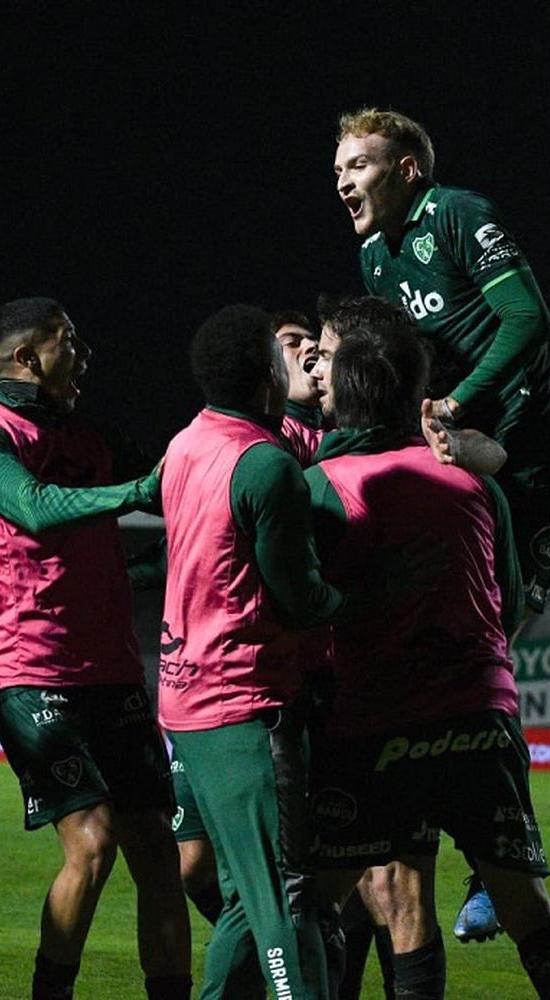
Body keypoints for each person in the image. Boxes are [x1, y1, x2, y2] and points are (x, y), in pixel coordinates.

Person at [304, 317, 550, 999]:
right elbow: (510, 605)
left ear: (344, 393)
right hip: (480, 722)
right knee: (528, 911)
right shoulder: (476, 487)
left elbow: (301, 605)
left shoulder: (321, 485)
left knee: (318, 908)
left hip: (376, 726)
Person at [0, 298, 191, 1000]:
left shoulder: (94, 437)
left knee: (156, 854)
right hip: (27, 671)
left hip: (112, 671)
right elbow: (38, 508)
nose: (83, 356)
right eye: (68, 342)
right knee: (93, 841)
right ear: (26, 358)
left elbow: (188, 480)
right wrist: (144, 489)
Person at [158, 304, 352, 999]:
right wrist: (358, 598)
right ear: (268, 377)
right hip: (248, 702)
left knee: (243, 898)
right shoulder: (265, 464)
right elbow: (299, 595)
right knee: (285, 900)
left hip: (185, 700)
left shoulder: (185, 444)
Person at [332, 107, 550, 619]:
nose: (343, 184)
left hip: (533, 460)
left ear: (406, 170)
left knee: (495, 630)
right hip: (464, 454)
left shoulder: (456, 212)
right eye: (338, 171)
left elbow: (528, 319)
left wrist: (454, 403)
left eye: (358, 166)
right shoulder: (374, 256)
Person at [315, 295, 508, 951]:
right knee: (389, 894)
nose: (316, 366)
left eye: (325, 353)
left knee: (331, 899)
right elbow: (502, 592)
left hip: (370, 714)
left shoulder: (324, 477)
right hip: (475, 709)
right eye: (304, 352)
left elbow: (295, 596)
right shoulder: (465, 476)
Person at [274, 310, 327, 466]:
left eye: (313, 339)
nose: (312, 345)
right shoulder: (277, 437)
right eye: (292, 343)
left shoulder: (345, 416)